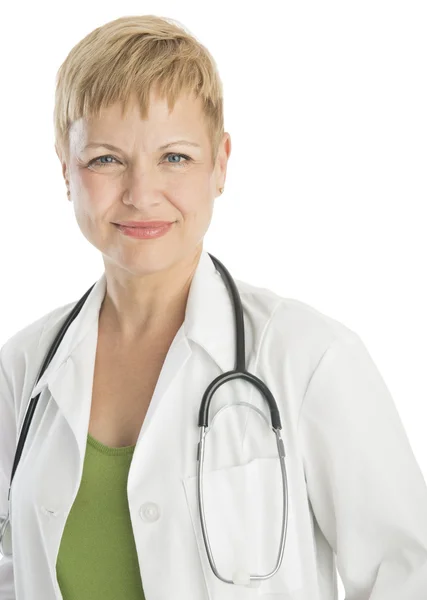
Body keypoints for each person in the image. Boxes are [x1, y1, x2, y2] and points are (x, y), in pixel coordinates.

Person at [1, 13, 427, 600]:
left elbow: (406, 575)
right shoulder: (23, 369)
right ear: (65, 171)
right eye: (105, 158)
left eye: (174, 157)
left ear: (221, 164)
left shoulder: (307, 358)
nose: (141, 192)